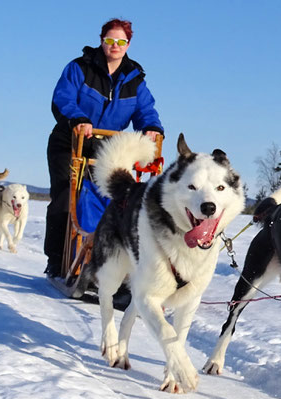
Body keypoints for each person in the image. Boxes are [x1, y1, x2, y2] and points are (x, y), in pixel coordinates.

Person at [44, 18, 164, 277]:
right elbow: (62, 97)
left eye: (121, 41)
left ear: (128, 44)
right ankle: (56, 259)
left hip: (107, 149)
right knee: (66, 198)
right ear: (101, 41)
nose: (115, 45)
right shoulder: (80, 67)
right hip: (70, 141)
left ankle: (113, 266)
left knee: (118, 202)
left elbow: (145, 110)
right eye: (110, 40)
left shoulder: (134, 79)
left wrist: (152, 128)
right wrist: (78, 118)